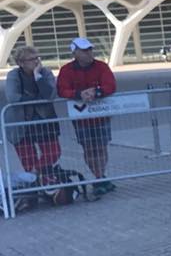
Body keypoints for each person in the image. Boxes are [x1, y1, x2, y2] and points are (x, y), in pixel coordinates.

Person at [56, 37, 117, 196]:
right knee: (89, 148)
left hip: (101, 115)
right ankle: (99, 177)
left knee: (101, 146)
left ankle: (100, 177)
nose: (88, 53)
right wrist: (78, 94)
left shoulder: (101, 66)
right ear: (75, 52)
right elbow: (62, 90)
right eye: (84, 50)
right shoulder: (66, 70)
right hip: (81, 117)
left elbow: (110, 85)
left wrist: (96, 92)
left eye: (89, 49)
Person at [4, 46, 60, 178]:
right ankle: (37, 183)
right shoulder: (14, 75)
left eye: (37, 58)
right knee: (27, 157)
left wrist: (37, 76)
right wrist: (37, 99)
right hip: (20, 123)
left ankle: (36, 174)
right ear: (21, 63)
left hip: (44, 120)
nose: (36, 62)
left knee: (53, 152)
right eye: (31, 59)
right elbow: (12, 97)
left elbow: (50, 95)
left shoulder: (45, 73)